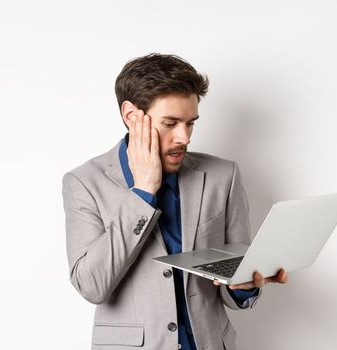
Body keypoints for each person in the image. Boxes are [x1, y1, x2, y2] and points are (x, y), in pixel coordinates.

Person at [62, 53, 288, 350]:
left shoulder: (223, 176)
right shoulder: (85, 182)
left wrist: (243, 287)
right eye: (170, 123)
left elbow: (236, 276)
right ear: (131, 115)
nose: (184, 137)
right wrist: (143, 191)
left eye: (190, 123)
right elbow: (92, 286)